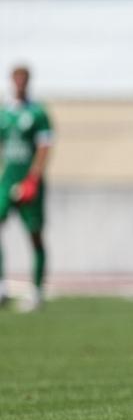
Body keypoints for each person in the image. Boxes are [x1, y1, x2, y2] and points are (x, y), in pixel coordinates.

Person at [0, 66, 53, 312]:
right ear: (12, 81)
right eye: (16, 79)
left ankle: (37, 290)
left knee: (34, 235)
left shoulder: (38, 113)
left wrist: (33, 179)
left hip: (30, 182)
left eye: (23, 79)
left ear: (28, 82)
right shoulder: (5, 113)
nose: (19, 83)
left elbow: (44, 148)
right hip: (8, 180)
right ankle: (2, 286)